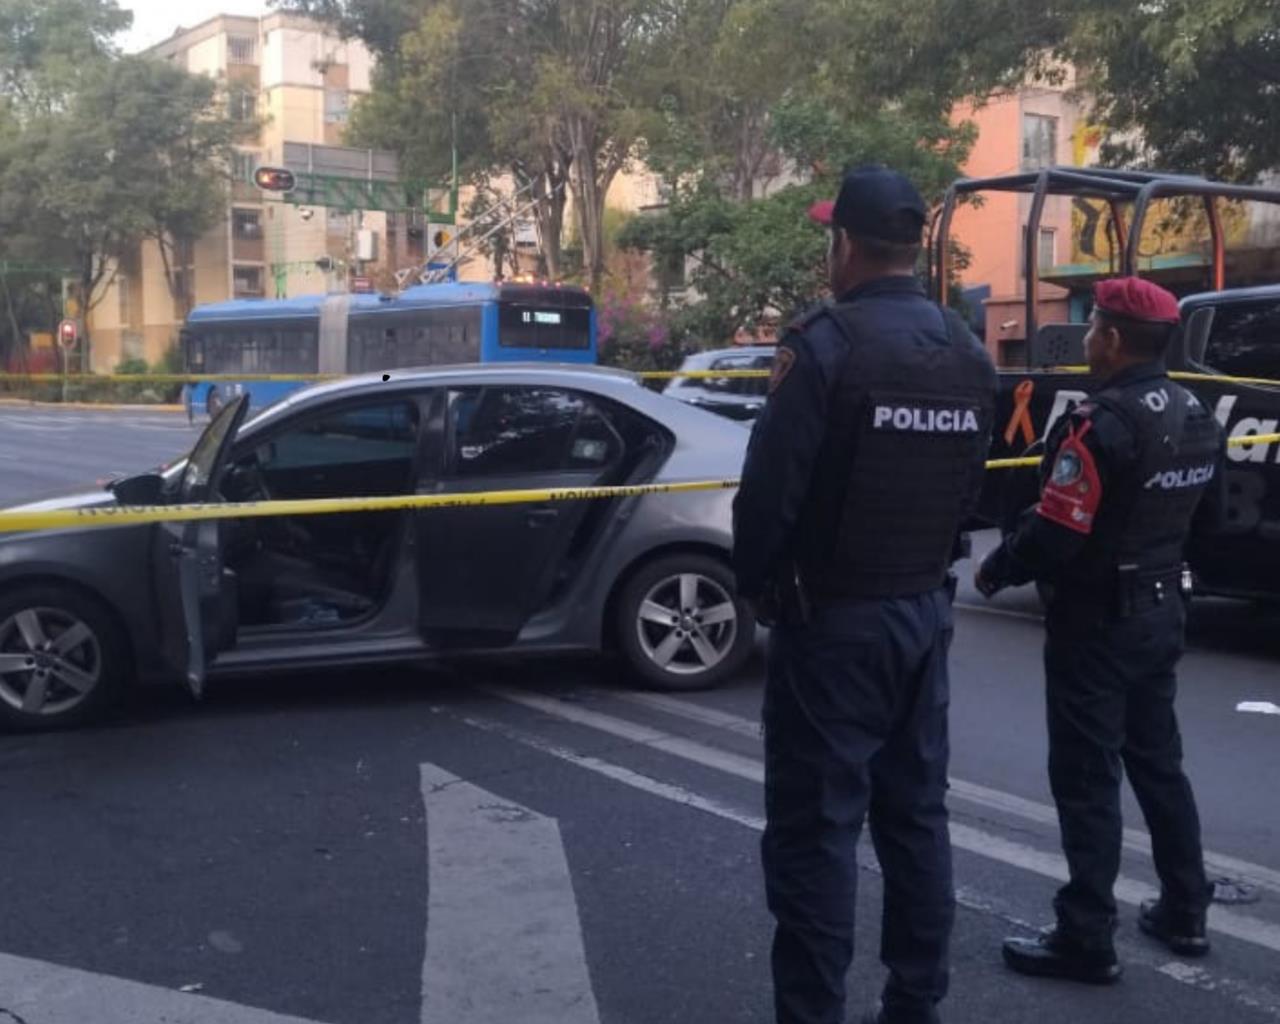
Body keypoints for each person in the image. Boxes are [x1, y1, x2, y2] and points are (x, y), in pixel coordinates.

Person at [733, 166, 997, 1024]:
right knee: (916, 819)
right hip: (924, 613)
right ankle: (915, 1003)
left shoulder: (823, 346)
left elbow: (768, 498)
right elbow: (972, 495)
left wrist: (759, 591)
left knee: (816, 832)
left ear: (844, 244)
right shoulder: (965, 350)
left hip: (834, 622)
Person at [976, 277, 1224, 983]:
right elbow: (1210, 522)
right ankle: (1186, 909)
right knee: (1158, 763)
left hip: (1097, 622)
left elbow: (1058, 528)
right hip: (1161, 609)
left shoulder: (1101, 422)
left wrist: (997, 568)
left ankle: (1086, 935)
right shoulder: (1196, 411)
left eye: (1092, 329)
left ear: (1112, 339)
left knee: (1087, 780)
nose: (1086, 339)